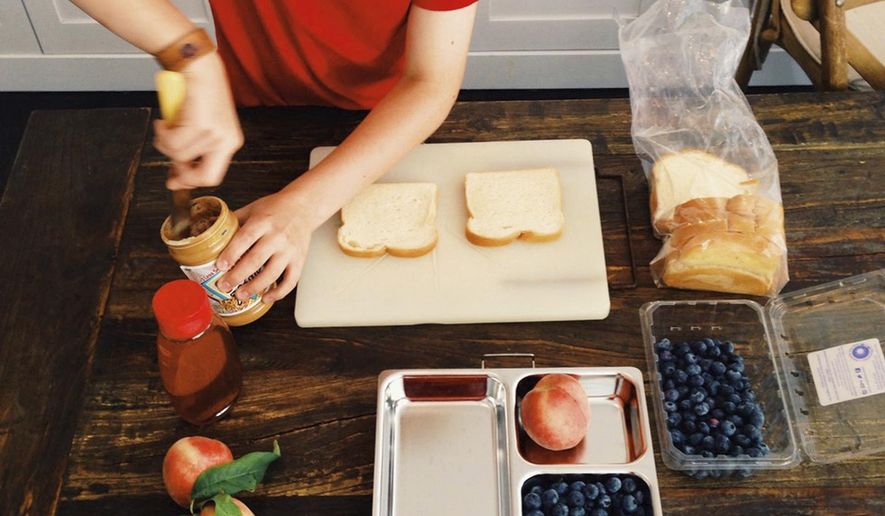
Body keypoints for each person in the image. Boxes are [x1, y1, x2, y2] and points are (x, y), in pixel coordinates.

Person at [72, 0, 479, 303]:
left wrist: (302, 207)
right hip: (256, 117)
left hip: (384, 127)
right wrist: (187, 53)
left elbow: (431, 81)